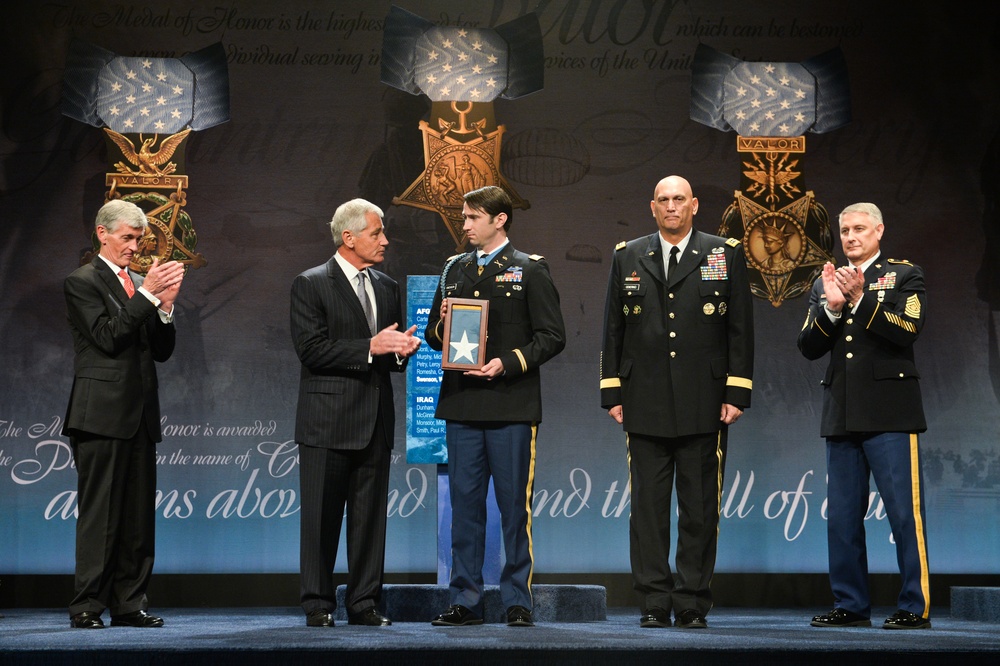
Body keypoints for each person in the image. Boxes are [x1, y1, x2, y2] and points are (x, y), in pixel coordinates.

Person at [600, 175, 754, 629]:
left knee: (700, 508)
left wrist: (736, 390)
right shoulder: (628, 254)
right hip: (643, 399)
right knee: (647, 509)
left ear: (694, 205)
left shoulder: (724, 252)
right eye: (663, 200)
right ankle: (653, 600)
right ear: (652, 207)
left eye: (679, 200)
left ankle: (689, 601)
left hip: (705, 401)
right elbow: (613, 328)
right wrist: (612, 391)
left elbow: (740, 328)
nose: (671, 207)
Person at [425, 185, 565, 628]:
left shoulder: (530, 269)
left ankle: (517, 601)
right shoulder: (453, 269)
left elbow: (551, 336)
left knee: (512, 509)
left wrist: (507, 363)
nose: (464, 226)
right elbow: (434, 336)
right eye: (464, 218)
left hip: (511, 406)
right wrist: (441, 326)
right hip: (464, 405)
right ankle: (464, 600)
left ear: (499, 220)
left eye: (471, 218)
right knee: (464, 509)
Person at [797, 202, 931, 630]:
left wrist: (861, 298)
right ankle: (851, 605)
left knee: (904, 514)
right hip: (842, 412)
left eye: (859, 229)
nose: (851, 237)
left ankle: (914, 605)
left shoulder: (905, 274)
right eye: (845, 230)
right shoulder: (828, 282)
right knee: (841, 518)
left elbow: (907, 329)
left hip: (890, 412)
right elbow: (808, 346)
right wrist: (833, 307)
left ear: (879, 231)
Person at [290, 198, 421, 628]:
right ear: (349, 238)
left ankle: (364, 603)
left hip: (375, 422)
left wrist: (402, 351)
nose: (385, 240)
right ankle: (318, 604)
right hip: (327, 422)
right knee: (320, 521)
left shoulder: (386, 286)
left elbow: (390, 355)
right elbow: (311, 350)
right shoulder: (310, 283)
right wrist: (370, 347)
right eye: (376, 233)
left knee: (369, 524)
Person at [62, 199, 185, 629]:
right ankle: (87, 606)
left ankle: (130, 603)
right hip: (99, 417)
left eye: (139, 238)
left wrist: (165, 307)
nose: (134, 246)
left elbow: (162, 352)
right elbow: (108, 338)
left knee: (137, 517)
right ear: (102, 233)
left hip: (140, 417)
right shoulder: (82, 282)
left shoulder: (137, 285)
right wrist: (149, 294)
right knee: (101, 516)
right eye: (127, 238)